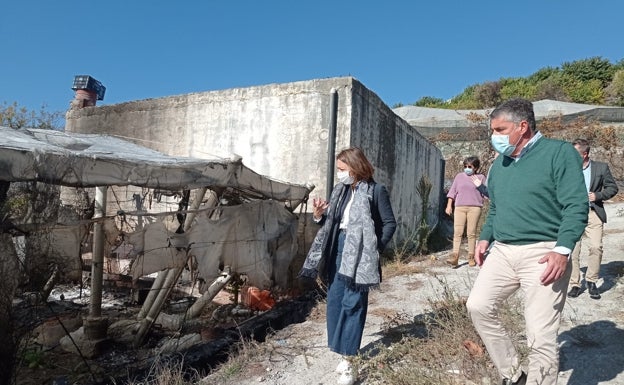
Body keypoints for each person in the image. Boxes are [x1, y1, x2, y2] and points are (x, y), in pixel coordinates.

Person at [465, 99, 588, 385]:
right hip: (504, 251)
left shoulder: (558, 153)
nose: (494, 136)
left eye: (500, 129)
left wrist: (563, 249)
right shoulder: (500, 165)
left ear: (523, 127)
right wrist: (485, 237)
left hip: (544, 252)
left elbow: (576, 205)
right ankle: (513, 375)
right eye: (492, 130)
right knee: (478, 306)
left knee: (539, 334)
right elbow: (495, 208)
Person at [299, 147, 396, 385]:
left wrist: (374, 249)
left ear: (356, 167)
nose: (340, 174)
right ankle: (339, 349)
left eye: (342, 169)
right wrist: (319, 215)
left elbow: (389, 224)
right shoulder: (340, 191)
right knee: (334, 302)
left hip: (361, 255)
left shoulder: (376, 191)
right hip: (337, 250)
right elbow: (332, 222)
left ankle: (349, 359)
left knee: (353, 304)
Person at [567, 138, 618, 300]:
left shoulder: (601, 168)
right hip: (573, 214)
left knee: (596, 247)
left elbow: (613, 188)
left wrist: (598, 195)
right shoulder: (566, 168)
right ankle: (575, 283)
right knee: (573, 250)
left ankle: (591, 281)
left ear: (585, 154)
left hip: (593, 212)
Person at [444, 156, 487, 267]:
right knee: (457, 232)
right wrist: (449, 205)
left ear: (476, 167)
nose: (467, 168)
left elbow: (487, 193)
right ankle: (455, 257)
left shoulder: (481, 177)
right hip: (460, 207)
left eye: (470, 167)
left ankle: (471, 257)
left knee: (471, 233)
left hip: (475, 208)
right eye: (465, 166)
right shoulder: (459, 177)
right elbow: (452, 192)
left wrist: (480, 185)